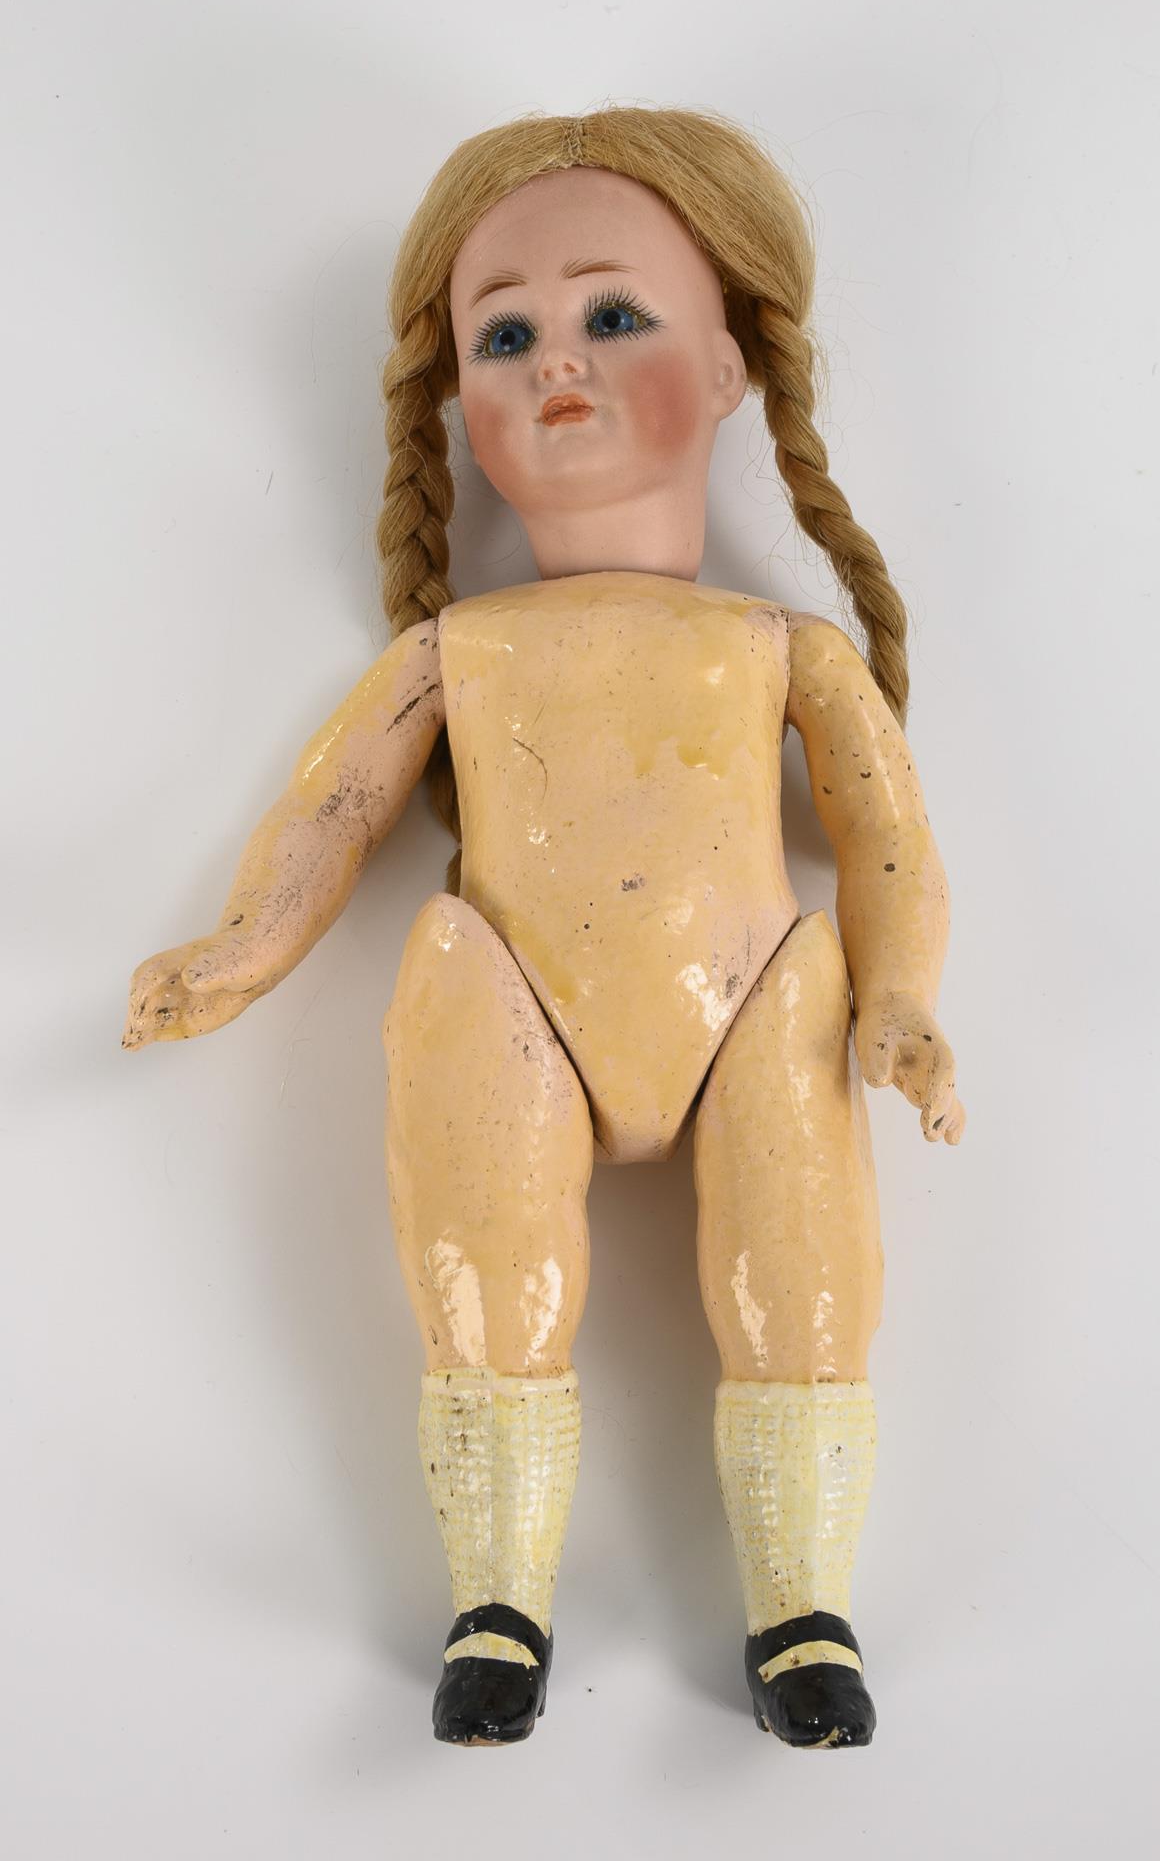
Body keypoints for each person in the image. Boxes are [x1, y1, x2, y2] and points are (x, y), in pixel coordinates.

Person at [124, 106, 964, 1751]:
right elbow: (332, 816)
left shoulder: (777, 646)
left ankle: (803, 1609)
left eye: (615, 313)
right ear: (458, 399)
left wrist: (902, 998)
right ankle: (498, 1602)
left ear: (733, 366)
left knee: (804, 1281)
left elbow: (886, 838)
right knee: (486, 1269)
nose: (556, 361)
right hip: (514, 997)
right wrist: (241, 947)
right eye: (504, 335)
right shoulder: (458, 651)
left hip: (759, 1004)